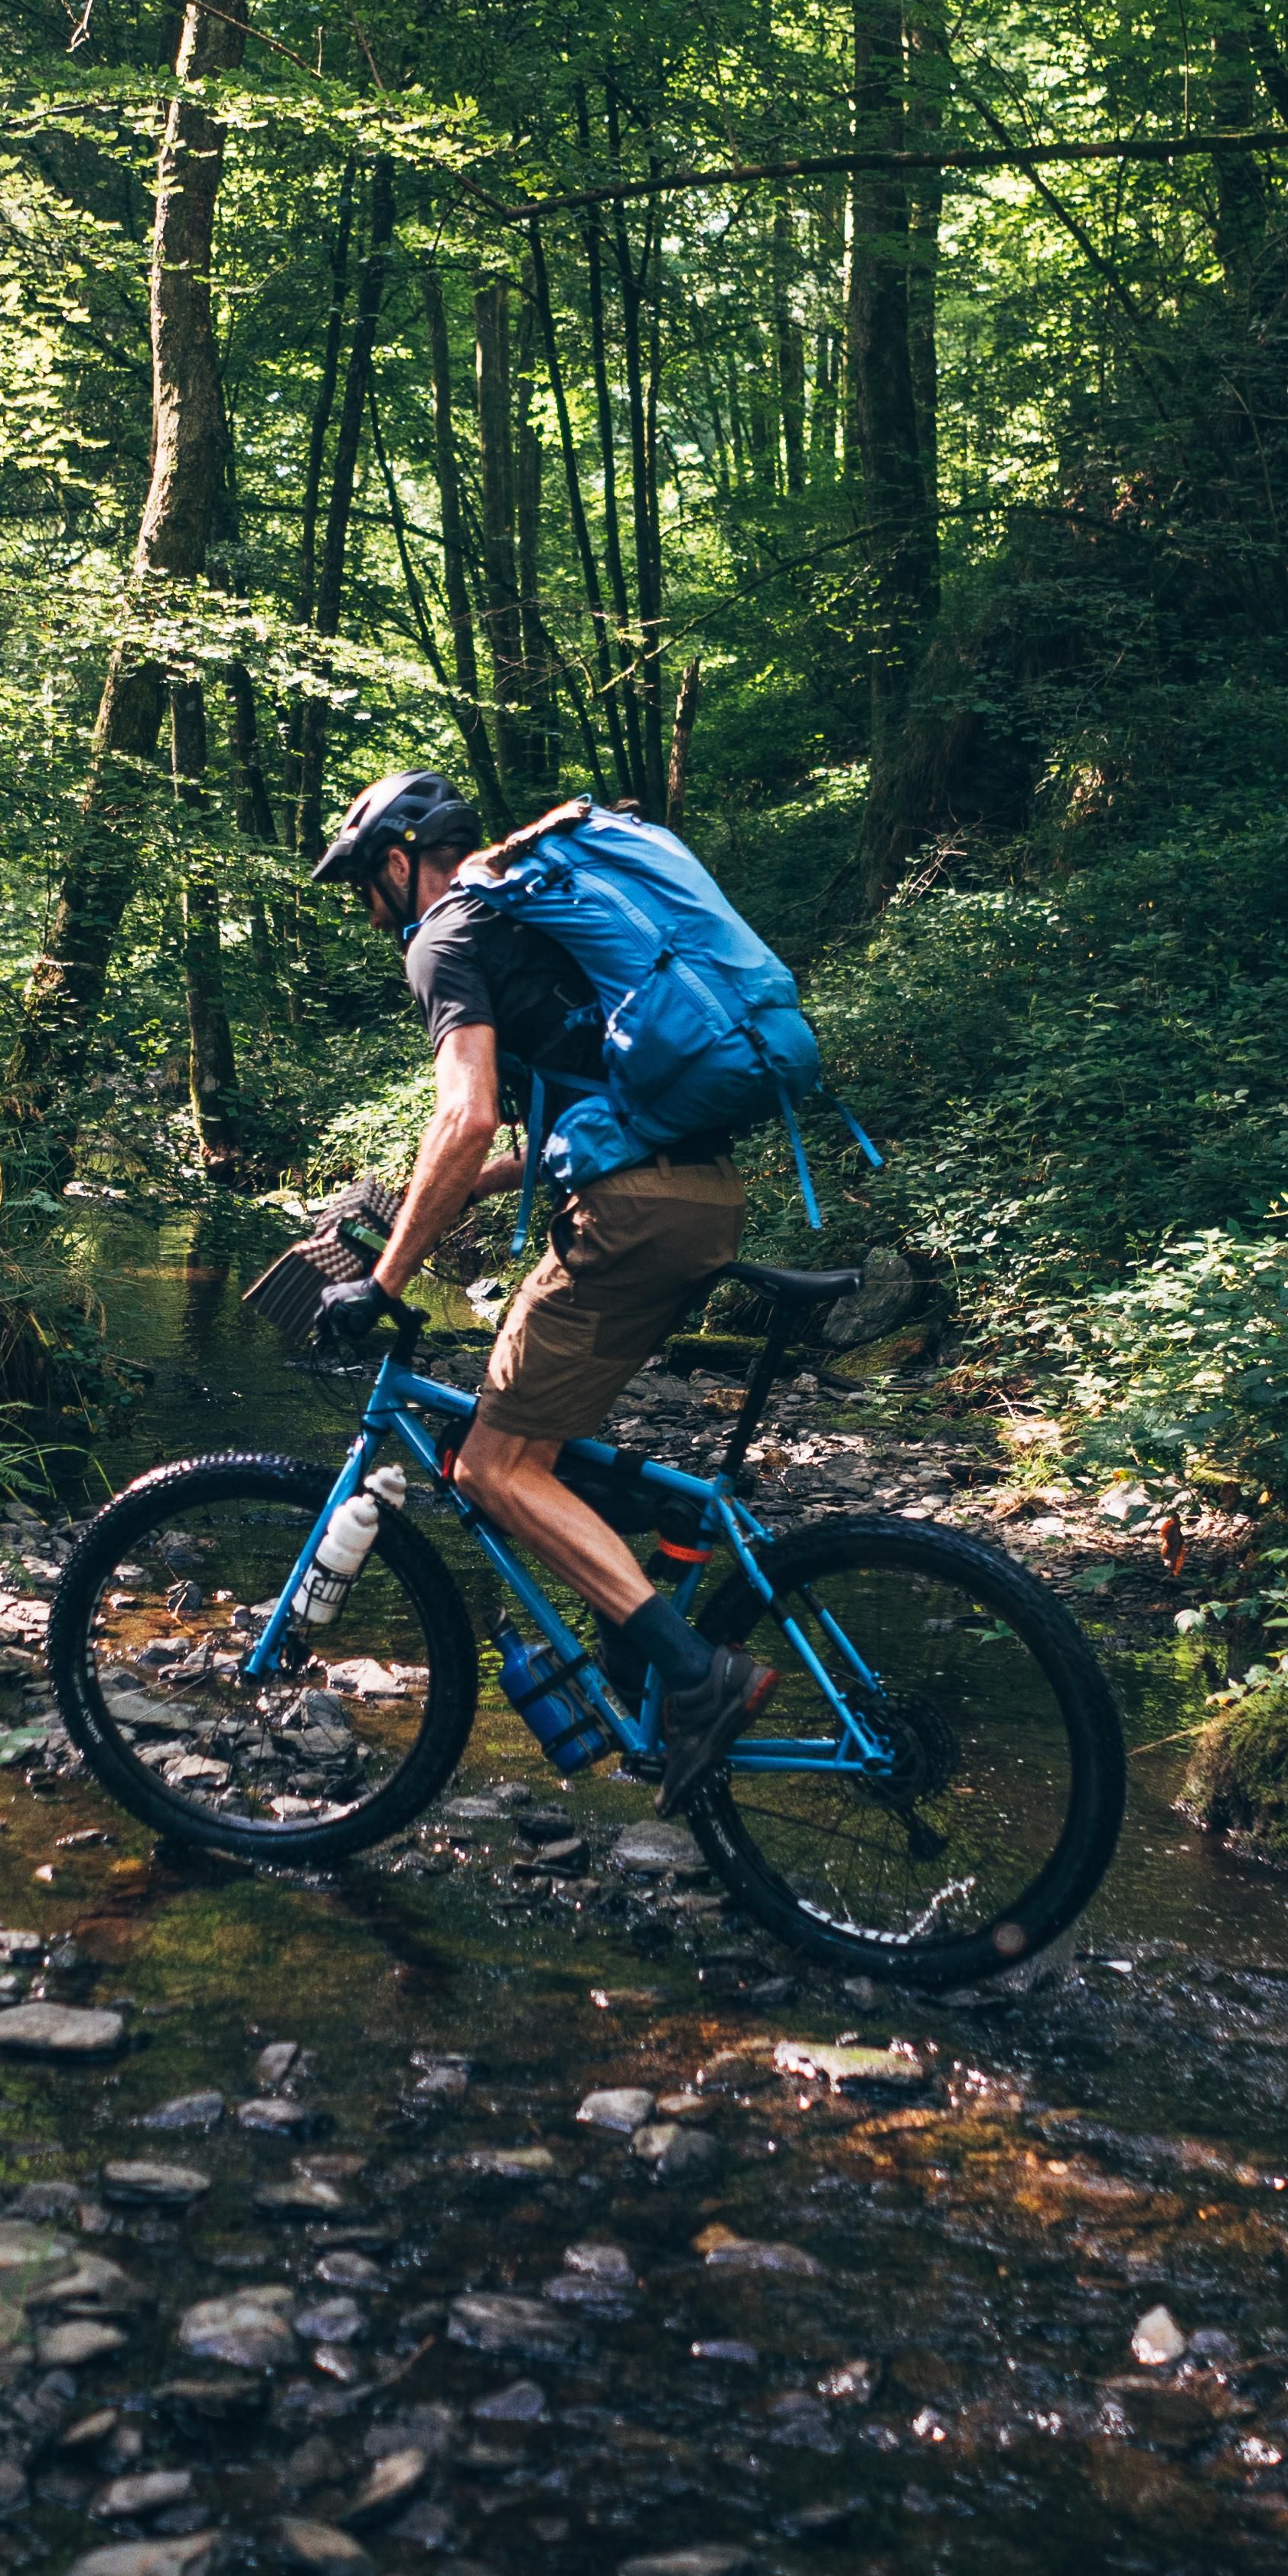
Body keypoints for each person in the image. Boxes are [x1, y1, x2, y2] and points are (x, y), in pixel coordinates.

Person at [301, 769, 768, 1805]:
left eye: (363, 887)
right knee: (538, 1443)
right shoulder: (530, 919)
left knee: (489, 1466)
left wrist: (385, 1281)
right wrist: (458, 1189)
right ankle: (647, 1579)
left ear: (397, 862)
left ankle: (699, 1676)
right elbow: (581, 1111)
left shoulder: (444, 936)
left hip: (632, 1215)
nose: (367, 912)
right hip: (701, 1195)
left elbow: (466, 1116)